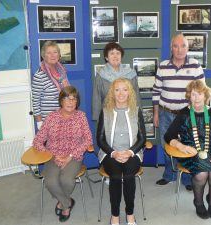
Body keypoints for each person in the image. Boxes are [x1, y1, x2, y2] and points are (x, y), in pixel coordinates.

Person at [164, 80, 211, 219]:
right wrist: (181, 146)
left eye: (199, 94)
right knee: (202, 174)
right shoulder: (184, 114)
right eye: (193, 94)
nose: (196, 98)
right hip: (190, 152)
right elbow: (169, 135)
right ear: (189, 96)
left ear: (205, 96)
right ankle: (198, 202)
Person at [152, 33, 205, 190]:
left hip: (187, 115)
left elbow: (202, 92)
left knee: (187, 144)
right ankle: (170, 174)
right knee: (166, 144)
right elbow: (156, 92)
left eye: (183, 46)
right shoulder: (163, 66)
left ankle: (187, 179)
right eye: (176, 46)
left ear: (188, 48)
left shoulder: (195, 66)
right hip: (165, 113)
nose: (179, 50)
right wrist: (155, 114)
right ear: (171, 48)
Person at [33, 86, 93, 222]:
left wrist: (69, 156)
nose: (71, 102)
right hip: (53, 157)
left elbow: (88, 139)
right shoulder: (51, 117)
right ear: (61, 101)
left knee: (67, 180)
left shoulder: (81, 116)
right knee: (51, 181)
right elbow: (37, 141)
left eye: (74, 99)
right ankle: (67, 202)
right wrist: (52, 156)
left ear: (77, 102)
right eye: (67, 98)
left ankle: (62, 205)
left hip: (73, 156)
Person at [96, 78, 146, 225]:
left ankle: (130, 214)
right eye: (117, 89)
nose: (121, 93)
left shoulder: (136, 111)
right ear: (112, 93)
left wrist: (130, 152)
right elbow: (100, 139)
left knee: (129, 176)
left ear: (130, 92)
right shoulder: (105, 112)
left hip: (132, 153)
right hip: (110, 153)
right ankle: (115, 216)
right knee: (116, 177)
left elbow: (143, 138)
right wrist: (114, 153)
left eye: (125, 89)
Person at [92, 42, 141, 121]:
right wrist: (98, 118)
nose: (115, 56)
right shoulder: (101, 74)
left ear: (121, 56)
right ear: (106, 57)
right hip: (109, 115)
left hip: (128, 114)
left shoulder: (130, 73)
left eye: (118, 53)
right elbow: (96, 98)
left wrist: (139, 114)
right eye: (112, 53)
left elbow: (136, 96)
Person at [32, 41, 70, 129]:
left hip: (65, 118)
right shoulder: (39, 76)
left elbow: (69, 94)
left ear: (59, 55)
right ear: (43, 56)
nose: (53, 55)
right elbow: (35, 102)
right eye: (49, 53)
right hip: (49, 122)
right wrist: (39, 123)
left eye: (55, 52)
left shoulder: (62, 72)